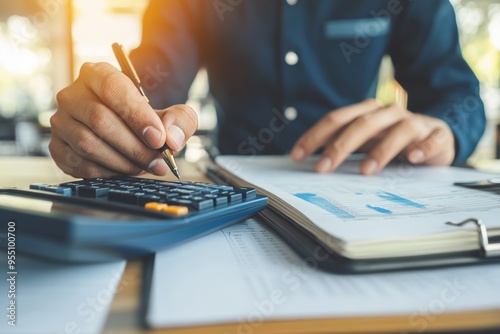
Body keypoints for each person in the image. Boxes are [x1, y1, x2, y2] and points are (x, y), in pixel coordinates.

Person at [50, 0, 485, 178]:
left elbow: (458, 95)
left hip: (362, 187)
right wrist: (116, 107)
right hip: (234, 196)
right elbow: (154, 78)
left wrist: (444, 130)